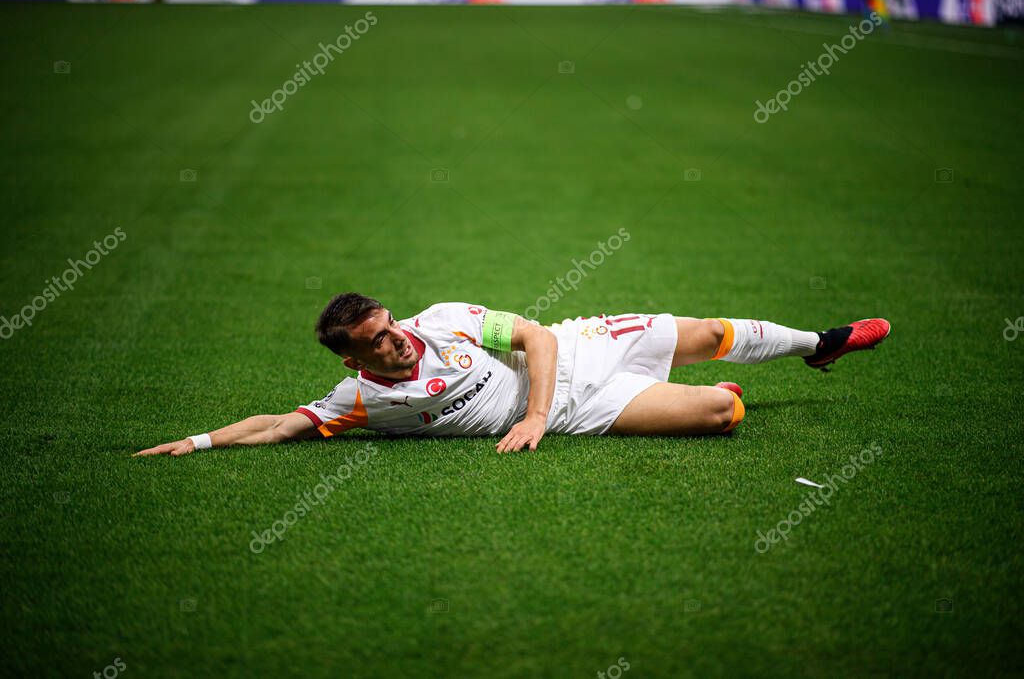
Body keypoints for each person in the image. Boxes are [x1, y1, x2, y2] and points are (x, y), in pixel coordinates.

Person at [134, 293, 890, 457]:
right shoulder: (359, 400)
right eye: (377, 344)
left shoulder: (446, 318)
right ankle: (708, 397)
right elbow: (279, 423)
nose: (396, 344)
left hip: (573, 351)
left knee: (708, 333)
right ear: (352, 360)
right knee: (723, 418)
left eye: (391, 328)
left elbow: (532, 334)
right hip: (583, 411)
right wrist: (196, 442)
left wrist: (531, 413)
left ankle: (817, 342)